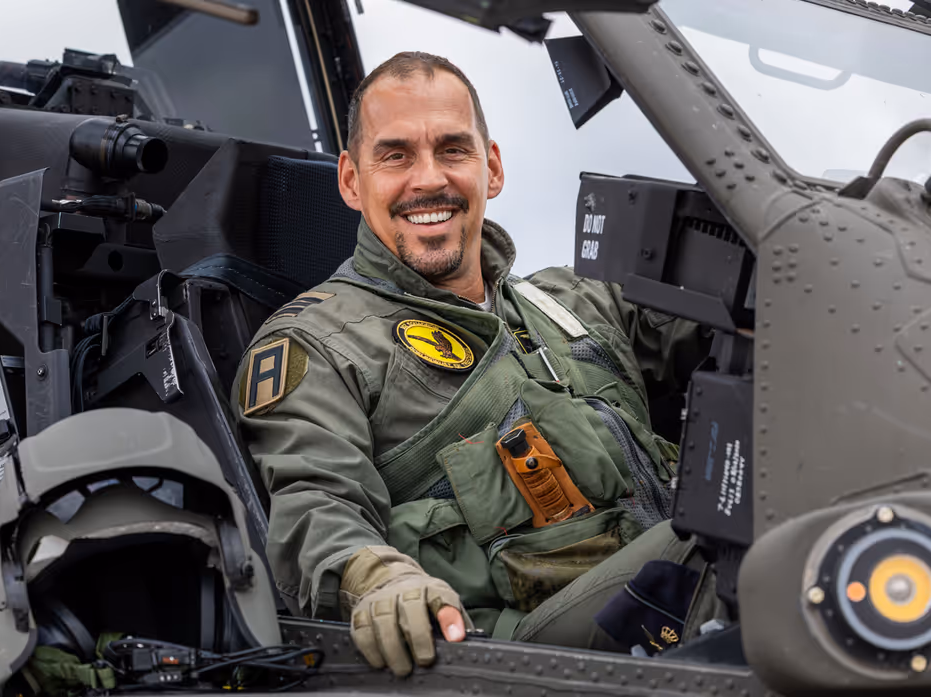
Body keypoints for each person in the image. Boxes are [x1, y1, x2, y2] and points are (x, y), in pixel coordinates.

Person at [230, 51, 718, 677]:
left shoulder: (574, 299)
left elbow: (732, 331)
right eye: (396, 155)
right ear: (352, 181)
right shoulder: (318, 344)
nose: (427, 180)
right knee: (734, 539)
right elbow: (316, 506)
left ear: (490, 167)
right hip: (523, 659)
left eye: (453, 150)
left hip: (675, 625)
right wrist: (380, 582)